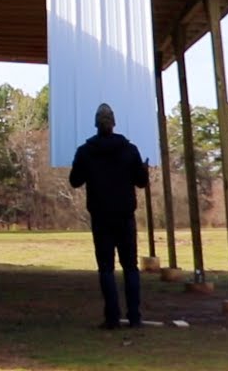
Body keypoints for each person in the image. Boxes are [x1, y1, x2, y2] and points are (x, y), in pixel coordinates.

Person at [69, 102, 149, 329]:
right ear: (114, 123)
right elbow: (141, 182)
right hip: (125, 216)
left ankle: (112, 317)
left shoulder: (85, 151)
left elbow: (75, 181)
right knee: (130, 266)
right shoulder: (129, 150)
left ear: (96, 124)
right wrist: (143, 171)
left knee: (106, 268)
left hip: (101, 216)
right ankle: (134, 317)